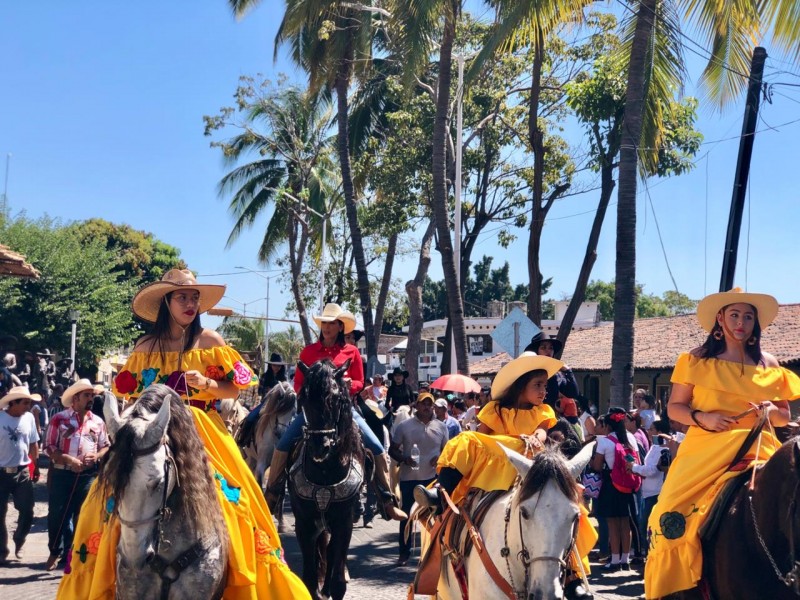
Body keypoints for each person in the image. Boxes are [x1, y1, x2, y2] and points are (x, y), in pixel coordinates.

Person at [56, 268, 308, 600]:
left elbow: (236, 386)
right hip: (149, 429)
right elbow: (129, 394)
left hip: (201, 427)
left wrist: (207, 384)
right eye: (182, 297)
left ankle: (246, 578)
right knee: (99, 502)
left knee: (241, 501)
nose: (190, 303)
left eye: (194, 298)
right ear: (166, 302)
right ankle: (96, 577)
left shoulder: (210, 342)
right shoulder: (145, 346)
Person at [645, 288, 800, 598]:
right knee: (668, 513)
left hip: (760, 446)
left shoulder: (769, 363)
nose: (741, 322)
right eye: (734, 315)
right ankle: (674, 588)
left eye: (747, 316)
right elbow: (676, 408)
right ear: (720, 318)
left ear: (755, 322)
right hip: (707, 448)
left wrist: (770, 411)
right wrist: (704, 418)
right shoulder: (696, 359)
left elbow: (784, 414)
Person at [415, 352, 597, 600]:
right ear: (521, 385)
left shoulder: (543, 412)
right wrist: (508, 443)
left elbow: (542, 435)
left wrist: (534, 438)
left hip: (531, 465)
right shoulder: (495, 409)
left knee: (572, 512)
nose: (544, 391)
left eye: (545, 385)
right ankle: (441, 492)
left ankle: (573, 577)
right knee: (468, 440)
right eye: (538, 385)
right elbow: (484, 437)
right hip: (497, 462)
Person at [265, 302, 406, 522]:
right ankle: (271, 497)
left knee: (377, 447)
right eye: (324, 323)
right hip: (314, 412)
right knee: (283, 444)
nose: (327, 327)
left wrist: (351, 385)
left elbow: (360, 381)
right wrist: (311, 390)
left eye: (331, 323)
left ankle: (387, 501)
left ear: (341, 327)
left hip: (345, 410)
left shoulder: (351, 353)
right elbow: (298, 384)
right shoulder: (308, 352)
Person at [44, 379, 110, 571]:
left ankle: (75, 555)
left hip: (87, 475)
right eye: (87, 395)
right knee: (57, 515)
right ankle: (54, 550)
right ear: (76, 398)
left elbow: (105, 446)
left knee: (83, 515)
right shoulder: (59, 419)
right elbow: (48, 446)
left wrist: (96, 456)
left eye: (92, 395)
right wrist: (67, 459)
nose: (91, 399)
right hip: (62, 474)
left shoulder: (98, 422)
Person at [388, 392, 448, 565]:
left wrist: (440, 459)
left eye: (430, 404)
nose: (427, 407)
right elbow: (392, 449)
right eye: (424, 403)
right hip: (409, 478)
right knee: (406, 517)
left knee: (434, 518)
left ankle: (432, 554)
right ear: (417, 405)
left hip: (432, 479)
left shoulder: (441, 427)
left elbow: (447, 450)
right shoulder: (404, 426)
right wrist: (403, 459)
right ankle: (404, 553)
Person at [590, 407, 639, 572]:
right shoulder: (630, 438)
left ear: (608, 425)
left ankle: (615, 559)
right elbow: (633, 460)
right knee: (625, 522)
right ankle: (626, 560)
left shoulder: (604, 441)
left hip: (611, 484)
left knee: (612, 522)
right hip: (627, 483)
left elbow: (597, 466)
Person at [0, 386, 40, 565]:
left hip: (22, 470)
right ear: (13, 403)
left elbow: (33, 443)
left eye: (29, 402)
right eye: (25, 402)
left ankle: (20, 540)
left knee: (27, 510)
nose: (28, 405)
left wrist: (36, 466)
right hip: (1, 472)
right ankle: (2, 549)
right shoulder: (0, 417)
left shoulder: (29, 418)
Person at [630, 418, 673, 559]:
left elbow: (653, 470)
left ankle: (650, 557)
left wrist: (634, 467)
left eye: (652, 430)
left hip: (655, 493)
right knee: (644, 526)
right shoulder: (654, 447)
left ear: (660, 432)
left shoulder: (665, 449)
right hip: (646, 492)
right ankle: (648, 556)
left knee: (647, 526)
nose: (648, 432)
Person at [524, 333, 579, 409]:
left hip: (548, 417)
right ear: (536, 351)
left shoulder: (557, 375)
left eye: (551, 348)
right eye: (543, 348)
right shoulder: (526, 373)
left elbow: (572, 393)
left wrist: (568, 370)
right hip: (528, 415)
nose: (548, 351)